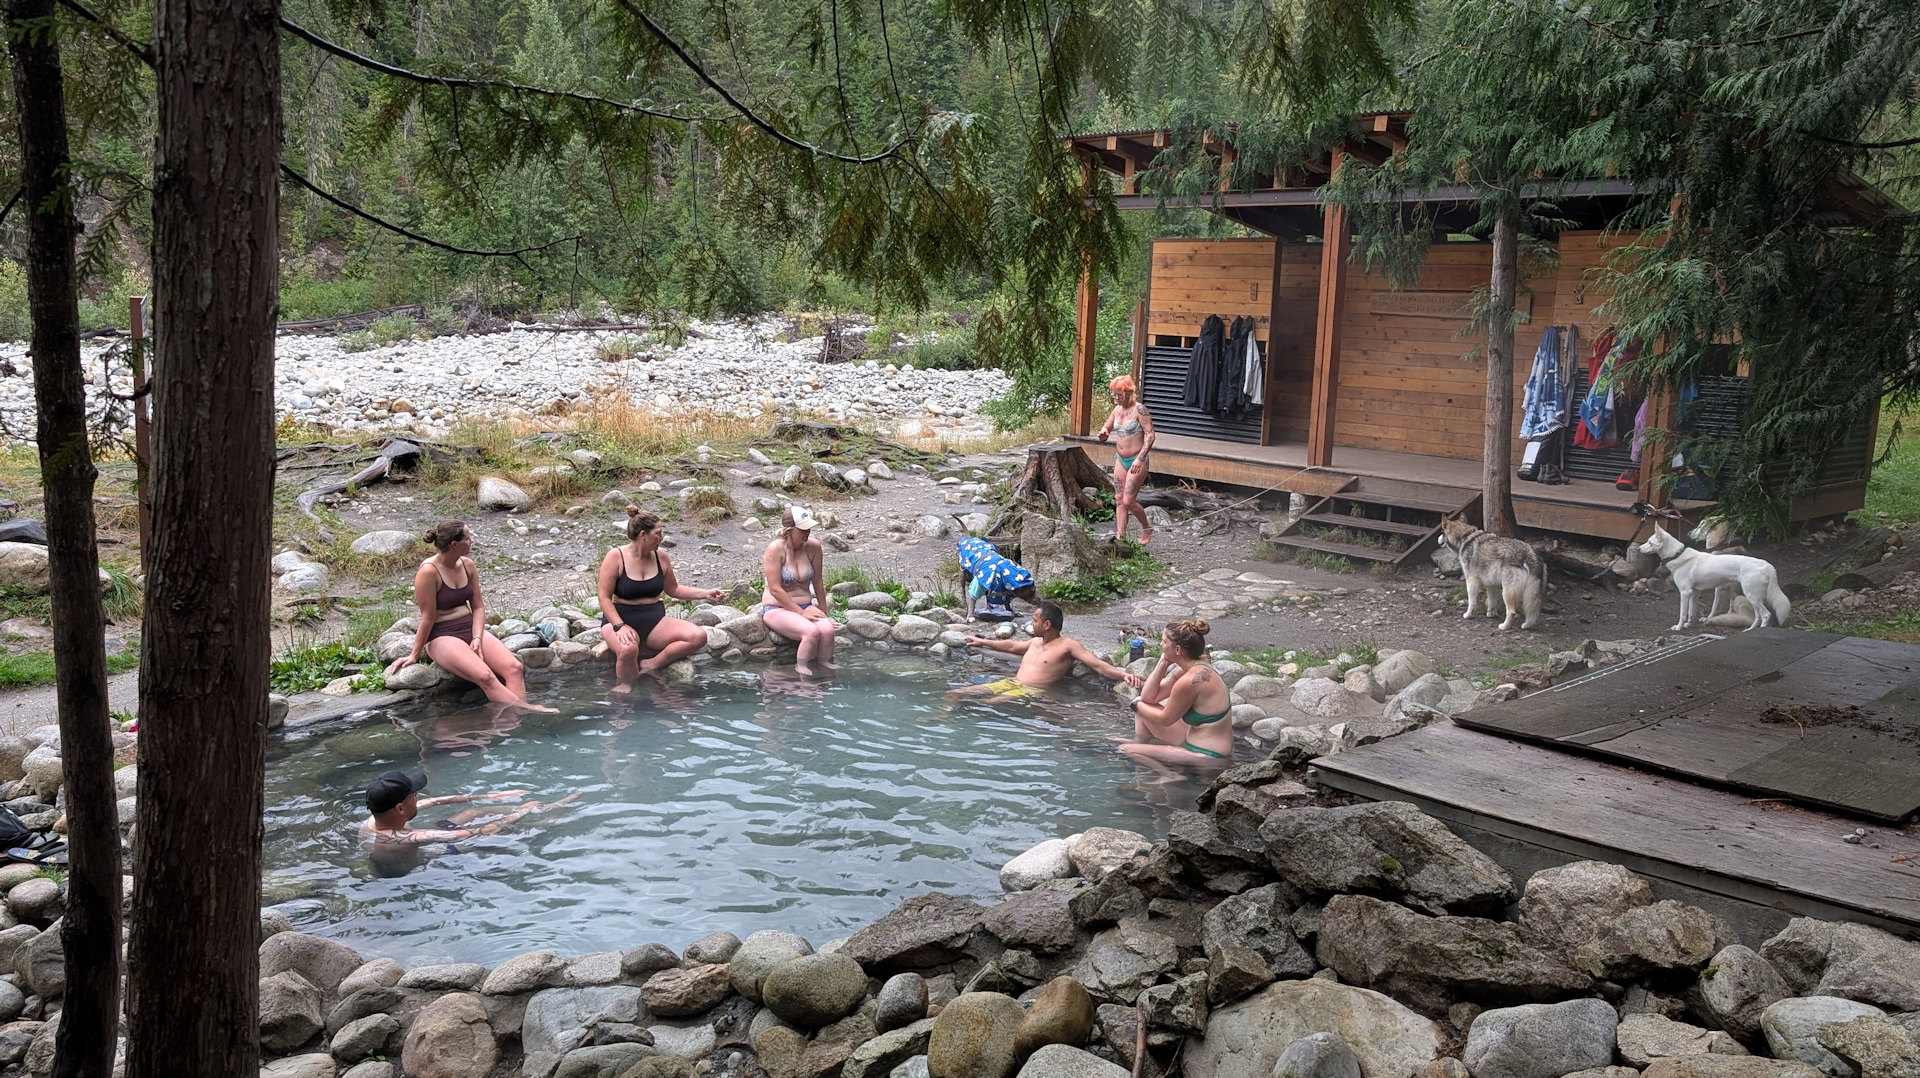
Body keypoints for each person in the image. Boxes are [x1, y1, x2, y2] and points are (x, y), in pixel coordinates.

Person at [387, 521, 554, 710]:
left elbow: (478, 607)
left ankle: (513, 725)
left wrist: (477, 637)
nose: (471, 540)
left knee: (514, 668)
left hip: (470, 628)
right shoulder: (428, 572)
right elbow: (427, 617)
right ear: (454, 544)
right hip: (442, 635)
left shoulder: (468, 565)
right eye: (467, 537)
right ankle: (527, 710)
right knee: (486, 677)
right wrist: (414, 655)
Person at [599, 506, 726, 691]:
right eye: (658, 534)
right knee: (628, 649)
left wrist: (706, 593)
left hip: (654, 621)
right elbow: (603, 598)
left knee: (697, 636)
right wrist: (619, 626)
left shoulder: (661, 557)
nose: (662, 538)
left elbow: (673, 589)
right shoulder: (615, 557)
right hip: (621, 618)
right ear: (643, 535)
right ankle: (624, 688)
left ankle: (652, 664)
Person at [959, 601, 1141, 702]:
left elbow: (1098, 665)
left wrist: (1122, 675)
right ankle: (944, 716)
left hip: (1031, 690)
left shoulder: (1068, 645)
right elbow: (1011, 646)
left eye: (1034, 620)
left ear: (1047, 625)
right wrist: (982, 641)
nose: (1031, 624)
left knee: (987, 704)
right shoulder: (1035, 641)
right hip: (1011, 683)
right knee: (958, 693)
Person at [1121, 618, 1233, 765]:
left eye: (1164, 641)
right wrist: (1163, 661)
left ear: (1178, 650)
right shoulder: (1195, 665)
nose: (1161, 644)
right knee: (1143, 713)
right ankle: (1143, 745)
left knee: (1127, 749)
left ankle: (1168, 775)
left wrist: (1136, 705)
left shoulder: (1189, 681)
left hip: (1207, 755)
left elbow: (1165, 719)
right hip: (1192, 737)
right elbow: (1149, 697)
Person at [759, 506, 837, 676]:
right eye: (802, 529)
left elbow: (817, 581)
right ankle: (802, 672)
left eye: (808, 528)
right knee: (811, 632)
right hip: (777, 608)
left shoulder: (813, 547)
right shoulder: (775, 549)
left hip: (806, 605)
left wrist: (824, 613)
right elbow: (775, 589)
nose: (807, 532)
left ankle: (825, 670)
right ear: (789, 530)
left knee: (827, 630)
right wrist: (800, 614)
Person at [1095, 375, 1155, 545]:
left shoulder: (1140, 410)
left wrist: (1140, 458)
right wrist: (1103, 434)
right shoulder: (1117, 411)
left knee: (1129, 500)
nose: (1115, 398)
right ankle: (1121, 539)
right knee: (1119, 499)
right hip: (1120, 459)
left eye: (1118, 394)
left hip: (1137, 459)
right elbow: (1106, 428)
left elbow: (1150, 435)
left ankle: (1146, 528)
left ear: (1128, 393)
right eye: (1113, 394)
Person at [955, 536, 1037, 621]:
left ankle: (1008, 609)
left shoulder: (1011, 575)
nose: (1034, 598)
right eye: (1030, 594)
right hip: (972, 552)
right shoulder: (987, 574)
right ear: (1020, 590)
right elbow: (973, 592)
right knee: (979, 582)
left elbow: (1006, 590)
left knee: (1000, 583)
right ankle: (968, 609)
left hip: (991, 558)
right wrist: (970, 615)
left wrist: (1009, 610)